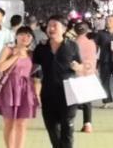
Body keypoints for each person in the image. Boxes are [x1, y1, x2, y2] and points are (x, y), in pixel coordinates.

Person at [33, 15, 83, 148]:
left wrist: (78, 67)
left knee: (67, 125)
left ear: (64, 29)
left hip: (69, 92)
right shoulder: (41, 47)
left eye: (55, 26)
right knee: (51, 126)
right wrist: (36, 92)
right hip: (48, 92)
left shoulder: (72, 46)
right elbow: (35, 71)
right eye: (49, 26)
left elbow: (81, 65)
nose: (51, 28)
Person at [0, 27, 40, 148]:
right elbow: (0, 67)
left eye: (29, 36)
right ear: (16, 36)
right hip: (9, 89)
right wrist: (15, 56)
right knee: (9, 123)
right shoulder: (8, 50)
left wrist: (37, 93)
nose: (25, 38)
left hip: (26, 90)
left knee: (22, 124)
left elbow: (36, 75)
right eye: (22, 34)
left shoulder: (31, 54)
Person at [73, 22, 97, 133]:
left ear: (75, 31)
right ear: (87, 31)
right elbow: (94, 59)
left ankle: (69, 123)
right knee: (87, 101)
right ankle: (87, 124)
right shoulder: (91, 43)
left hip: (74, 74)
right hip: (88, 73)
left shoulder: (72, 43)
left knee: (72, 100)